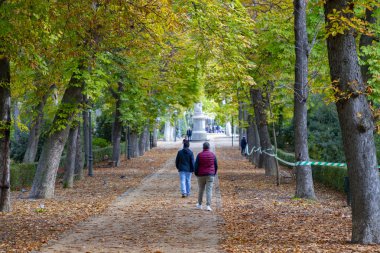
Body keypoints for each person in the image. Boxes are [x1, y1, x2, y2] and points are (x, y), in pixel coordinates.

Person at [194, 142, 218, 211]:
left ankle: (199, 204)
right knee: (209, 190)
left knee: (201, 189)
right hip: (210, 175)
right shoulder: (212, 155)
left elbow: (196, 165)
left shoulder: (199, 155)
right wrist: (214, 173)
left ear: (203, 147)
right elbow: (216, 165)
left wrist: (196, 173)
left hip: (201, 175)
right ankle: (208, 205)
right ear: (209, 147)